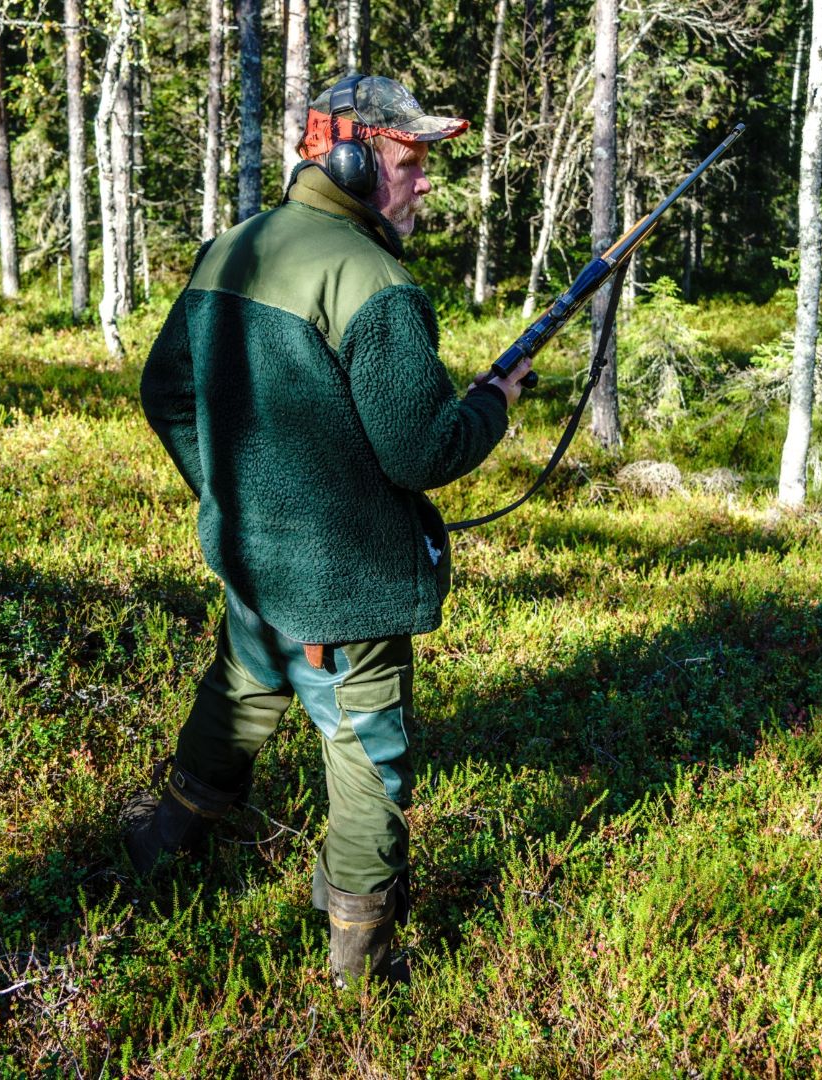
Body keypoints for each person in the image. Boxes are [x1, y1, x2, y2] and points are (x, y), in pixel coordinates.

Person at [123, 74, 533, 986]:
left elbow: (167, 395)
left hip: (249, 559)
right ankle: (359, 965)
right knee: (367, 761)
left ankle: (163, 849)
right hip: (342, 588)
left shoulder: (230, 247)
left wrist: (234, 492)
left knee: (243, 687)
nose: (426, 182)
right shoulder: (373, 280)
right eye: (411, 160)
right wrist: (493, 406)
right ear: (350, 159)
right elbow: (423, 451)